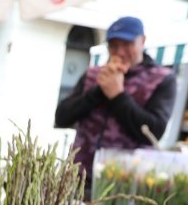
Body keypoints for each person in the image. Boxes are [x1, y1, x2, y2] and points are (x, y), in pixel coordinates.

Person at [55, 16, 177, 183]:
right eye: (113, 46)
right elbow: (62, 117)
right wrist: (99, 91)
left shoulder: (161, 79)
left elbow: (154, 131)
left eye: (127, 44)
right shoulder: (93, 74)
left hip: (125, 181)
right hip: (78, 175)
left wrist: (118, 96)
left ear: (142, 41)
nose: (119, 52)